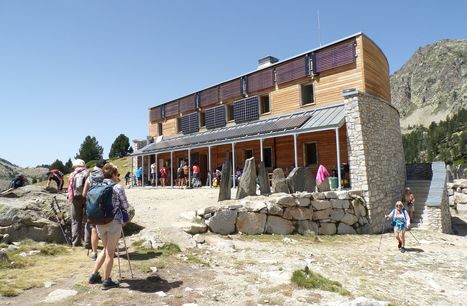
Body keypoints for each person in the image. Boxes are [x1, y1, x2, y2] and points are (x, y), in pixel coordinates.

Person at [88, 163, 129, 290]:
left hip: (99, 222)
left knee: (105, 249)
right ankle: (107, 281)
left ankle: (94, 275)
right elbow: (125, 205)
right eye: (117, 174)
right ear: (113, 175)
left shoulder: (96, 185)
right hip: (113, 222)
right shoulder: (117, 187)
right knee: (110, 253)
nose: (118, 176)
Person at [82, 158, 106, 259]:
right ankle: (108, 251)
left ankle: (94, 252)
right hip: (104, 206)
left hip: (92, 206)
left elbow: (84, 194)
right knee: (106, 229)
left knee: (94, 229)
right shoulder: (105, 176)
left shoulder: (90, 177)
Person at [67, 159, 89, 247]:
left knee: (75, 220)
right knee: (88, 220)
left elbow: (70, 188)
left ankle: (76, 242)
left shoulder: (72, 175)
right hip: (87, 198)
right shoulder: (87, 173)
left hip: (75, 198)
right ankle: (87, 243)